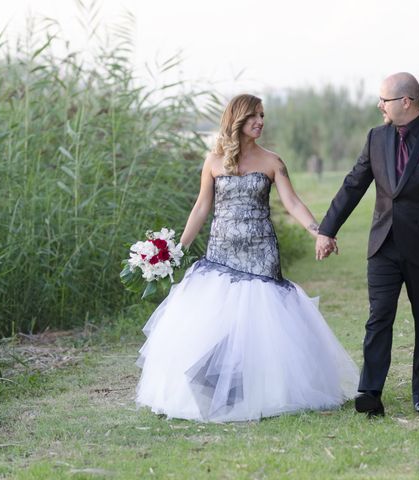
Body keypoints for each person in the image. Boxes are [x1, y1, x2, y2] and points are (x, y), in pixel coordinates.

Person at [135, 94, 358, 422]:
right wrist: (177, 249)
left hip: (260, 253)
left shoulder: (272, 162)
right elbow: (201, 208)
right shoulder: (213, 161)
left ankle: (258, 394)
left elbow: (292, 203)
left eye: (262, 116)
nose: (260, 122)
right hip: (221, 254)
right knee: (217, 322)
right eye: (253, 116)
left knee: (258, 323)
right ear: (237, 119)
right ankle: (212, 390)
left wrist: (319, 231)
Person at [315, 73, 419, 417]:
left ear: (406, 102)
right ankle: (370, 392)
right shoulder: (375, 138)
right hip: (383, 245)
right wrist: (327, 229)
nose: (378, 105)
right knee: (378, 317)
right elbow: (353, 185)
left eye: (383, 99)